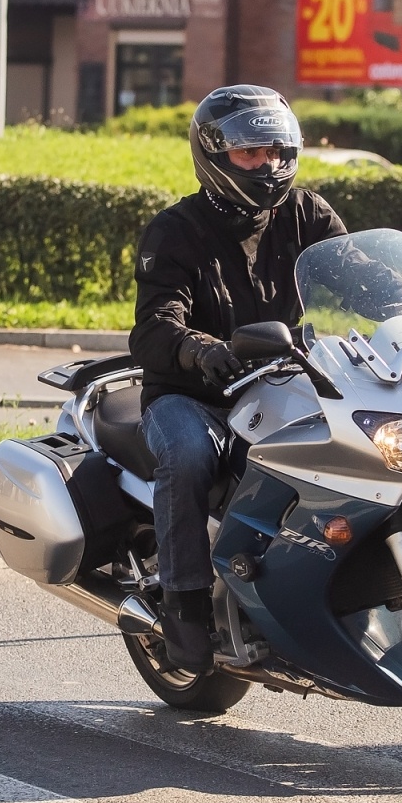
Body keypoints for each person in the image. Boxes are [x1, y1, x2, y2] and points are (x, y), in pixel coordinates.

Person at [129, 85, 348, 672]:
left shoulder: (306, 214)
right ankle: (185, 605)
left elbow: (358, 275)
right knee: (187, 454)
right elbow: (153, 327)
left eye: (277, 151)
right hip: (190, 394)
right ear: (214, 155)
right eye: (251, 153)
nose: (268, 165)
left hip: (281, 382)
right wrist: (198, 349)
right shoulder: (174, 230)